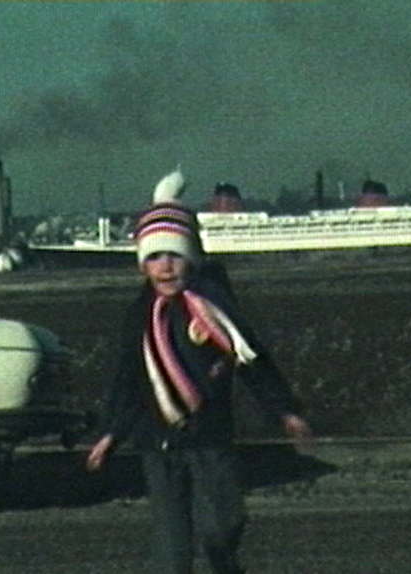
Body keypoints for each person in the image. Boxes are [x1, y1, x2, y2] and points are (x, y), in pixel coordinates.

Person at [86, 169, 311, 573]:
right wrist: (110, 434)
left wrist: (284, 410)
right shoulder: (138, 315)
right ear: (142, 265)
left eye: (174, 255)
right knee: (171, 549)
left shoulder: (213, 309)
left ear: (192, 257)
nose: (166, 267)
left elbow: (252, 360)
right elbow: (128, 379)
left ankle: (224, 562)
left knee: (221, 526)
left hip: (211, 438)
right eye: (155, 257)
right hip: (158, 442)